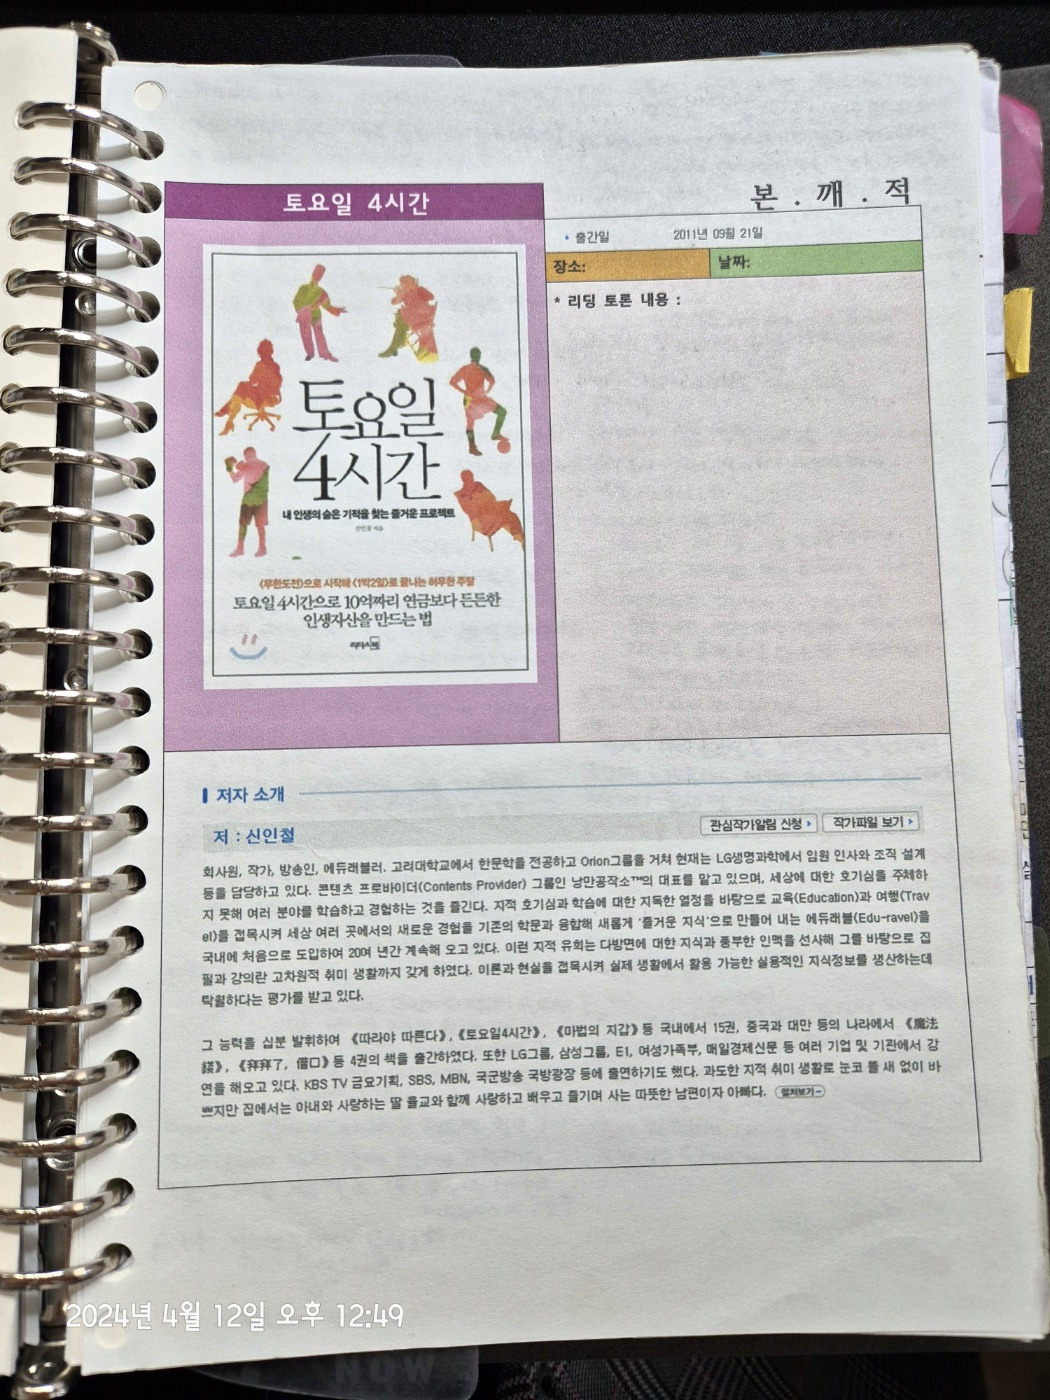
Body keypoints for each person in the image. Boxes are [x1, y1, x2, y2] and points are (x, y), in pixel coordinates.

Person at [449, 346, 509, 455]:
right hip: (478, 399)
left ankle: (473, 447)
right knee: (501, 412)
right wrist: (487, 390)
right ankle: (494, 434)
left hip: (471, 399)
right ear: (479, 356)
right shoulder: (482, 369)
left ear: (471, 356)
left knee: (470, 424)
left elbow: (452, 381)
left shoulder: (465, 369)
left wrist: (464, 391)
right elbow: (492, 381)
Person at [214, 339, 282, 434]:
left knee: (241, 387)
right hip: (274, 397)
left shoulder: (260, 365)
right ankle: (227, 415)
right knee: (240, 390)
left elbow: (253, 380)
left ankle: (229, 420)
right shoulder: (276, 366)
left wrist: (255, 378)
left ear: (260, 353)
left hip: (262, 397)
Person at [454, 469, 524, 550]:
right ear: (463, 479)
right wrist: (480, 499)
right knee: (504, 514)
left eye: (471, 476)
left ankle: (519, 537)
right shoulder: (461, 493)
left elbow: (492, 497)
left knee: (511, 515)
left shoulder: (478, 485)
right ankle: (518, 536)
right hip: (479, 518)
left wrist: (484, 499)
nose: (471, 478)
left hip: (491, 509)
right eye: (468, 477)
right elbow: (468, 510)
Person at [378, 275, 438, 362]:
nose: (403, 286)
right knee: (400, 318)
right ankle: (397, 344)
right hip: (412, 317)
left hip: (421, 317)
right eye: (402, 284)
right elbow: (394, 302)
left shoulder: (419, 290)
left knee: (400, 319)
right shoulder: (405, 293)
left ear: (412, 283)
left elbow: (430, 297)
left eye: (405, 284)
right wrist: (399, 294)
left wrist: (415, 291)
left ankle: (396, 344)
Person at [293, 264, 345, 361]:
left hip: (316, 316)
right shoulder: (303, 288)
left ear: (321, 277)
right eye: (316, 273)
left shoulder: (321, 292)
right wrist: (304, 310)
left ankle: (325, 354)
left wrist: (336, 310)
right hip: (304, 317)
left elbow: (327, 306)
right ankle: (310, 353)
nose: (317, 276)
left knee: (319, 335)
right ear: (313, 273)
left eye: (320, 275)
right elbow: (296, 301)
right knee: (306, 335)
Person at [227, 446, 269, 557]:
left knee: (249, 525)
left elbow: (237, 476)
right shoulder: (261, 464)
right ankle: (258, 548)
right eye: (246, 457)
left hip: (253, 499)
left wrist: (231, 466)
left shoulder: (255, 464)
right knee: (254, 525)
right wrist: (233, 467)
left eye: (247, 456)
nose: (247, 458)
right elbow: (235, 478)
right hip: (257, 499)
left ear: (252, 454)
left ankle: (249, 548)